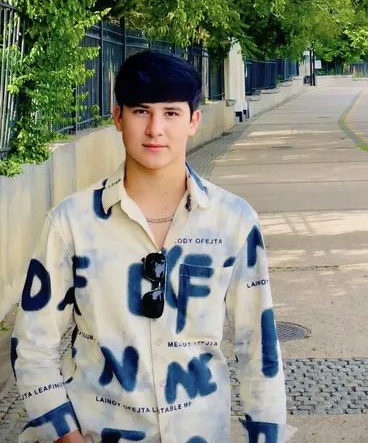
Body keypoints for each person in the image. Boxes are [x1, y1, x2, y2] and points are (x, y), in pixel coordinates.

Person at [11, 50, 289, 443]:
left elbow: (258, 347)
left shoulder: (233, 221)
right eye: (141, 111)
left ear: (193, 121)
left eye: (171, 113)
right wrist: (65, 435)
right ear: (117, 117)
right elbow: (33, 346)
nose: (155, 129)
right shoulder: (71, 223)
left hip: (200, 431)